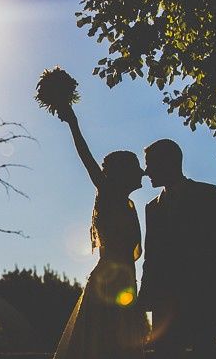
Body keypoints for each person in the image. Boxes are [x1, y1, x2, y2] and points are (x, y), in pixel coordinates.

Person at [53, 105, 146, 359]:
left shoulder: (128, 204)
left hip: (124, 284)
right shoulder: (109, 194)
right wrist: (73, 122)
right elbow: (87, 158)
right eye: (136, 168)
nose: (143, 173)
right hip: (108, 285)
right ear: (122, 174)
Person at [139, 139, 216, 359]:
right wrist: (145, 298)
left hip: (203, 296)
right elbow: (151, 256)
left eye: (150, 164)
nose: (146, 171)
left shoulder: (208, 195)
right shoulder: (151, 207)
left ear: (168, 163)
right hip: (164, 303)